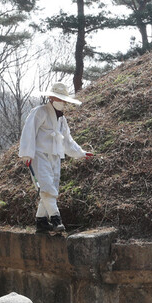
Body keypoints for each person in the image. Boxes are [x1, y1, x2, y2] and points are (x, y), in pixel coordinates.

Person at [18, 81, 94, 234]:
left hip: (55, 157)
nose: (61, 103)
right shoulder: (39, 112)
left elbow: (67, 140)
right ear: (51, 97)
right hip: (39, 156)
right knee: (46, 188)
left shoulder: (62, 120)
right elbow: (29, 131)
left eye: (63, 100)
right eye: (58, 99)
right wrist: (27, 153)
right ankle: (55, 219)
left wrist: (80, 152)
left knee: (51, 188)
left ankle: (41, 221)